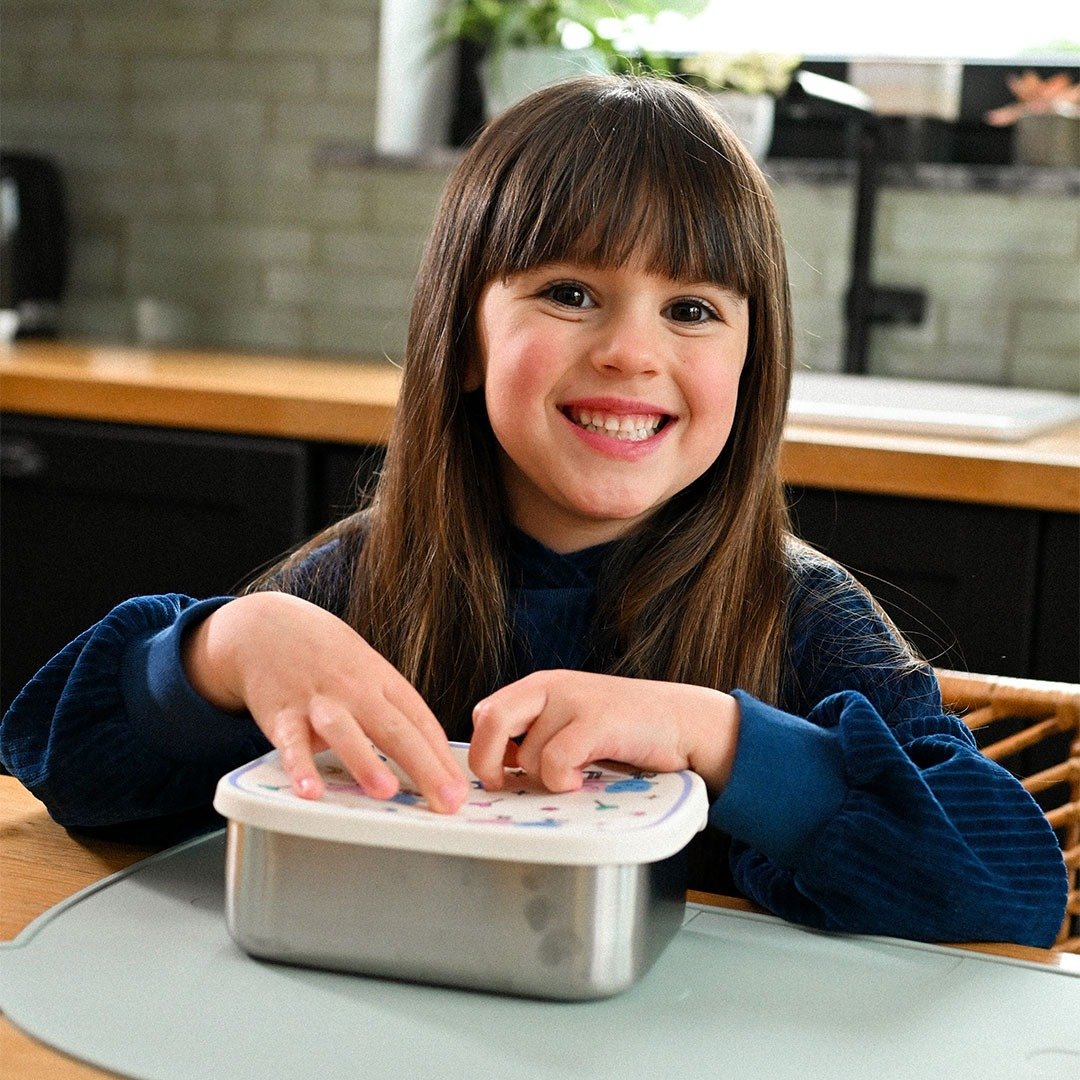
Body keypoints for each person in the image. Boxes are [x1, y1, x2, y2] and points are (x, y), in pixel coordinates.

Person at [1, 75, 1067, 948]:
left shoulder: (800, 613)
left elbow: (1011, 880)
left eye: (692, 309)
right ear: (463, 340)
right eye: (569, 293)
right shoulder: (359, 582)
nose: (630, 350)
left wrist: (717, 738)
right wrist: (222, 650)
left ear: (755, 365)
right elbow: (66, 771)